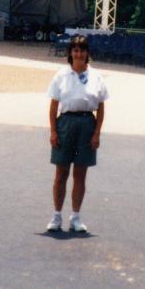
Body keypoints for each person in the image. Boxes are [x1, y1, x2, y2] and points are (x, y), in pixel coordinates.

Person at [46, 35, 109, 233]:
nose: (78, 54)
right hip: (65, 123)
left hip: (86, 124)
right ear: (70, 53)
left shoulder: (96, 76)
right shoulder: (60, 76)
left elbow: (100, 108)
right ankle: (56, 216)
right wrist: (54, 131)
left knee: (80, 174)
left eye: (82, 50)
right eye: (75, 50)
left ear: (87, 53)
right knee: (61, 173)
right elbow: (53, 106)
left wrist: (97, 133)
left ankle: (76, 216)